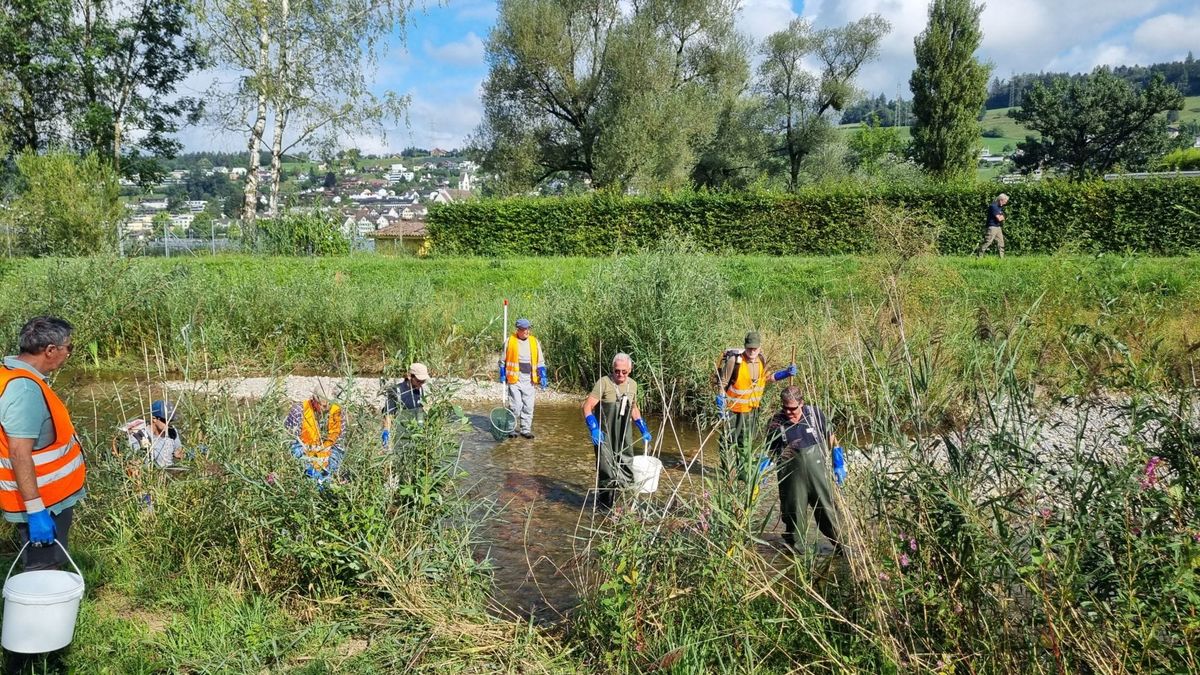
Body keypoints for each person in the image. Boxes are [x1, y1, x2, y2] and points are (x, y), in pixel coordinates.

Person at [0, 317, 87, 571]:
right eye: (68, 348)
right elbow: (19, 452)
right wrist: (36, 509)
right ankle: (37, 611)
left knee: (44, 566)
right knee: (42, 570)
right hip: (43, 500)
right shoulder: (24, 390)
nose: (69, 354)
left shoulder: (9, 374)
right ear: (50, 350)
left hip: (43, 496)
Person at [766, 386, 845, 553]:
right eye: (785, 407)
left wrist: (838, 463)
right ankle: (795, 557)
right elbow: (770, 450)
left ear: (801, 403)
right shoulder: (776, 421)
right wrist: (764, 465)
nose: (788, 412)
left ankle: (843, 549)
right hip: (792, 479)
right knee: (794, 515)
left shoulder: (815, 415)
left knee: (828, 512)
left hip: (818, 474)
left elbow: (832, 439)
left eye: (792, 408)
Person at [716, 332, 797, 479]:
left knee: (746, 442)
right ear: (745, 347)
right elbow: (722, 383)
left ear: (759, 348)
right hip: (733, 410)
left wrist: (785, 373)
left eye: (755, 348)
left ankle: (743, 473)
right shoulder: (735, 361)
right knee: (727, 442)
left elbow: (768, 378)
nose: (752, 351)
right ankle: (727, 473)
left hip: (752, 411)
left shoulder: (761, 360)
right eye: (749, 348)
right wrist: (720, 401)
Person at [581, 353, 652, 510]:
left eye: (624, 372)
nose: (620, 374)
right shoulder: (604, 383)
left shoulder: (632, 385)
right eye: (617, 371)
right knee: (607, 470)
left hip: (623, 435)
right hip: (604, 435)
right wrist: (593, 428)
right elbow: (587, 406)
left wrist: (643, 428)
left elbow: (633, 408)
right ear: (612, 369)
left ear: (630, 370)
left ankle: (623, 507)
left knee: (626, 466)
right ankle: (604, 507)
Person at [500, 317, 547, 439]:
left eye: (528, 329)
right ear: (518, 329)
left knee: (528, 406)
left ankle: (525, 430)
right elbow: (502, 361)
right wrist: (502, 373)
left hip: (529, 379)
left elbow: (540, 361)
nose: (526, 331)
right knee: (515, 406)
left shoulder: (534, 342)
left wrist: (543, 375)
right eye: (524, 329)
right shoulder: (510, 341)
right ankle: (511, 429)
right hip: (514, 378)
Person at [285, 390, 346, 482]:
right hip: (305, 454)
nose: (326, 409)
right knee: (310, 476)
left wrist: (328, 459)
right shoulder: (299, 410)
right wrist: (310, 458)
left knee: (330, 476)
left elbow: (339, 445)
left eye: (330, 404)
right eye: (323, 405)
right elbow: (291, 443)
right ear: (314, 400)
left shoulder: (337, 412)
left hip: (329, 455)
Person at [120, 400, 183, 469]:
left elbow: (179, 453)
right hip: (151, 475)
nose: (169, 424)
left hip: (171, 473)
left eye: (171, 420)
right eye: (166, 420)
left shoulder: (172, 431)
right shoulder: (138, 436)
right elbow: (133, 466)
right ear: (154, 419)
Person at [382, 362, 429, 447]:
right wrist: (386, 432)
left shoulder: (420, 390)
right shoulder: (396, 391)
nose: (421, 384)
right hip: (399, 435)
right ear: (410, 376)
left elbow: (420, 412)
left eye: (423, 381)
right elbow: (388, 414)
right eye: (419, 381)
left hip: (415, 434)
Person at [975, 193, 1009, 258]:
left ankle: (1001, 258)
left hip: (998, 227)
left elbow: (1003, 217)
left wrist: (1003, 216)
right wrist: (1003, 216)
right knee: (988, 242)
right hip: (992, 227)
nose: (1005, 203)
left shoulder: (999, 207)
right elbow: (999, 218)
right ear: (1001, 200)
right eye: (1005, 201)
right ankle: (979, 256)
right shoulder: (993, 206)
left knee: (1001, 243)